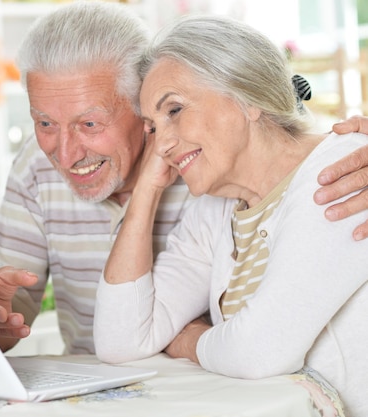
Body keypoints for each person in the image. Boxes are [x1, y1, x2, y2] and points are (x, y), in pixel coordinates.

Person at [0, 2, 368, 356]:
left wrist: (187, 341)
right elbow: (15, 302)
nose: (64, 154)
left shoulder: (215, 173)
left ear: (141, 111)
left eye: (89, 123)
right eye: (44, 122)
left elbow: (289, 144)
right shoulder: (37, 164)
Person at [93, 15, 367, 416]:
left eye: (175, 110)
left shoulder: (341, 174)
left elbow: (259, 350)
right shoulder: (216, 209)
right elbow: (121, 340)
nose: (163, 143)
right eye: (153, 126)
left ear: (248, 97)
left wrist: (189, 341)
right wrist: (148, 189)